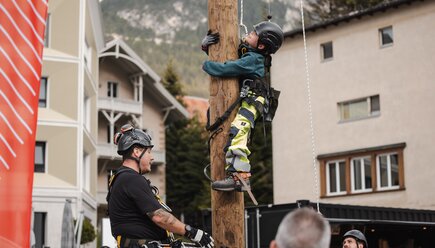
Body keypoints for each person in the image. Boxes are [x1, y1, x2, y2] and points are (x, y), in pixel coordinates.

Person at [201, 20, 284, 191]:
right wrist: (206, 47)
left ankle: (240, 176)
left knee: (239, 130)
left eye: (254, 34)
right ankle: (237, 173)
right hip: (250, 99)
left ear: (261, 46)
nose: (249, 34)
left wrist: (206, 65)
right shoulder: (250, 52)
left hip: (254, 100)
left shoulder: (253, 59)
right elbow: (229, 53)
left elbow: (227, 68)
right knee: (237, 131)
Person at [107, 124, 214, 248]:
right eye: (148, 151)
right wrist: (192, 232)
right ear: (136, 151)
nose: (152, 157)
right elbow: (159, 217)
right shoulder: (131, 179)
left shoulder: (121, 179)